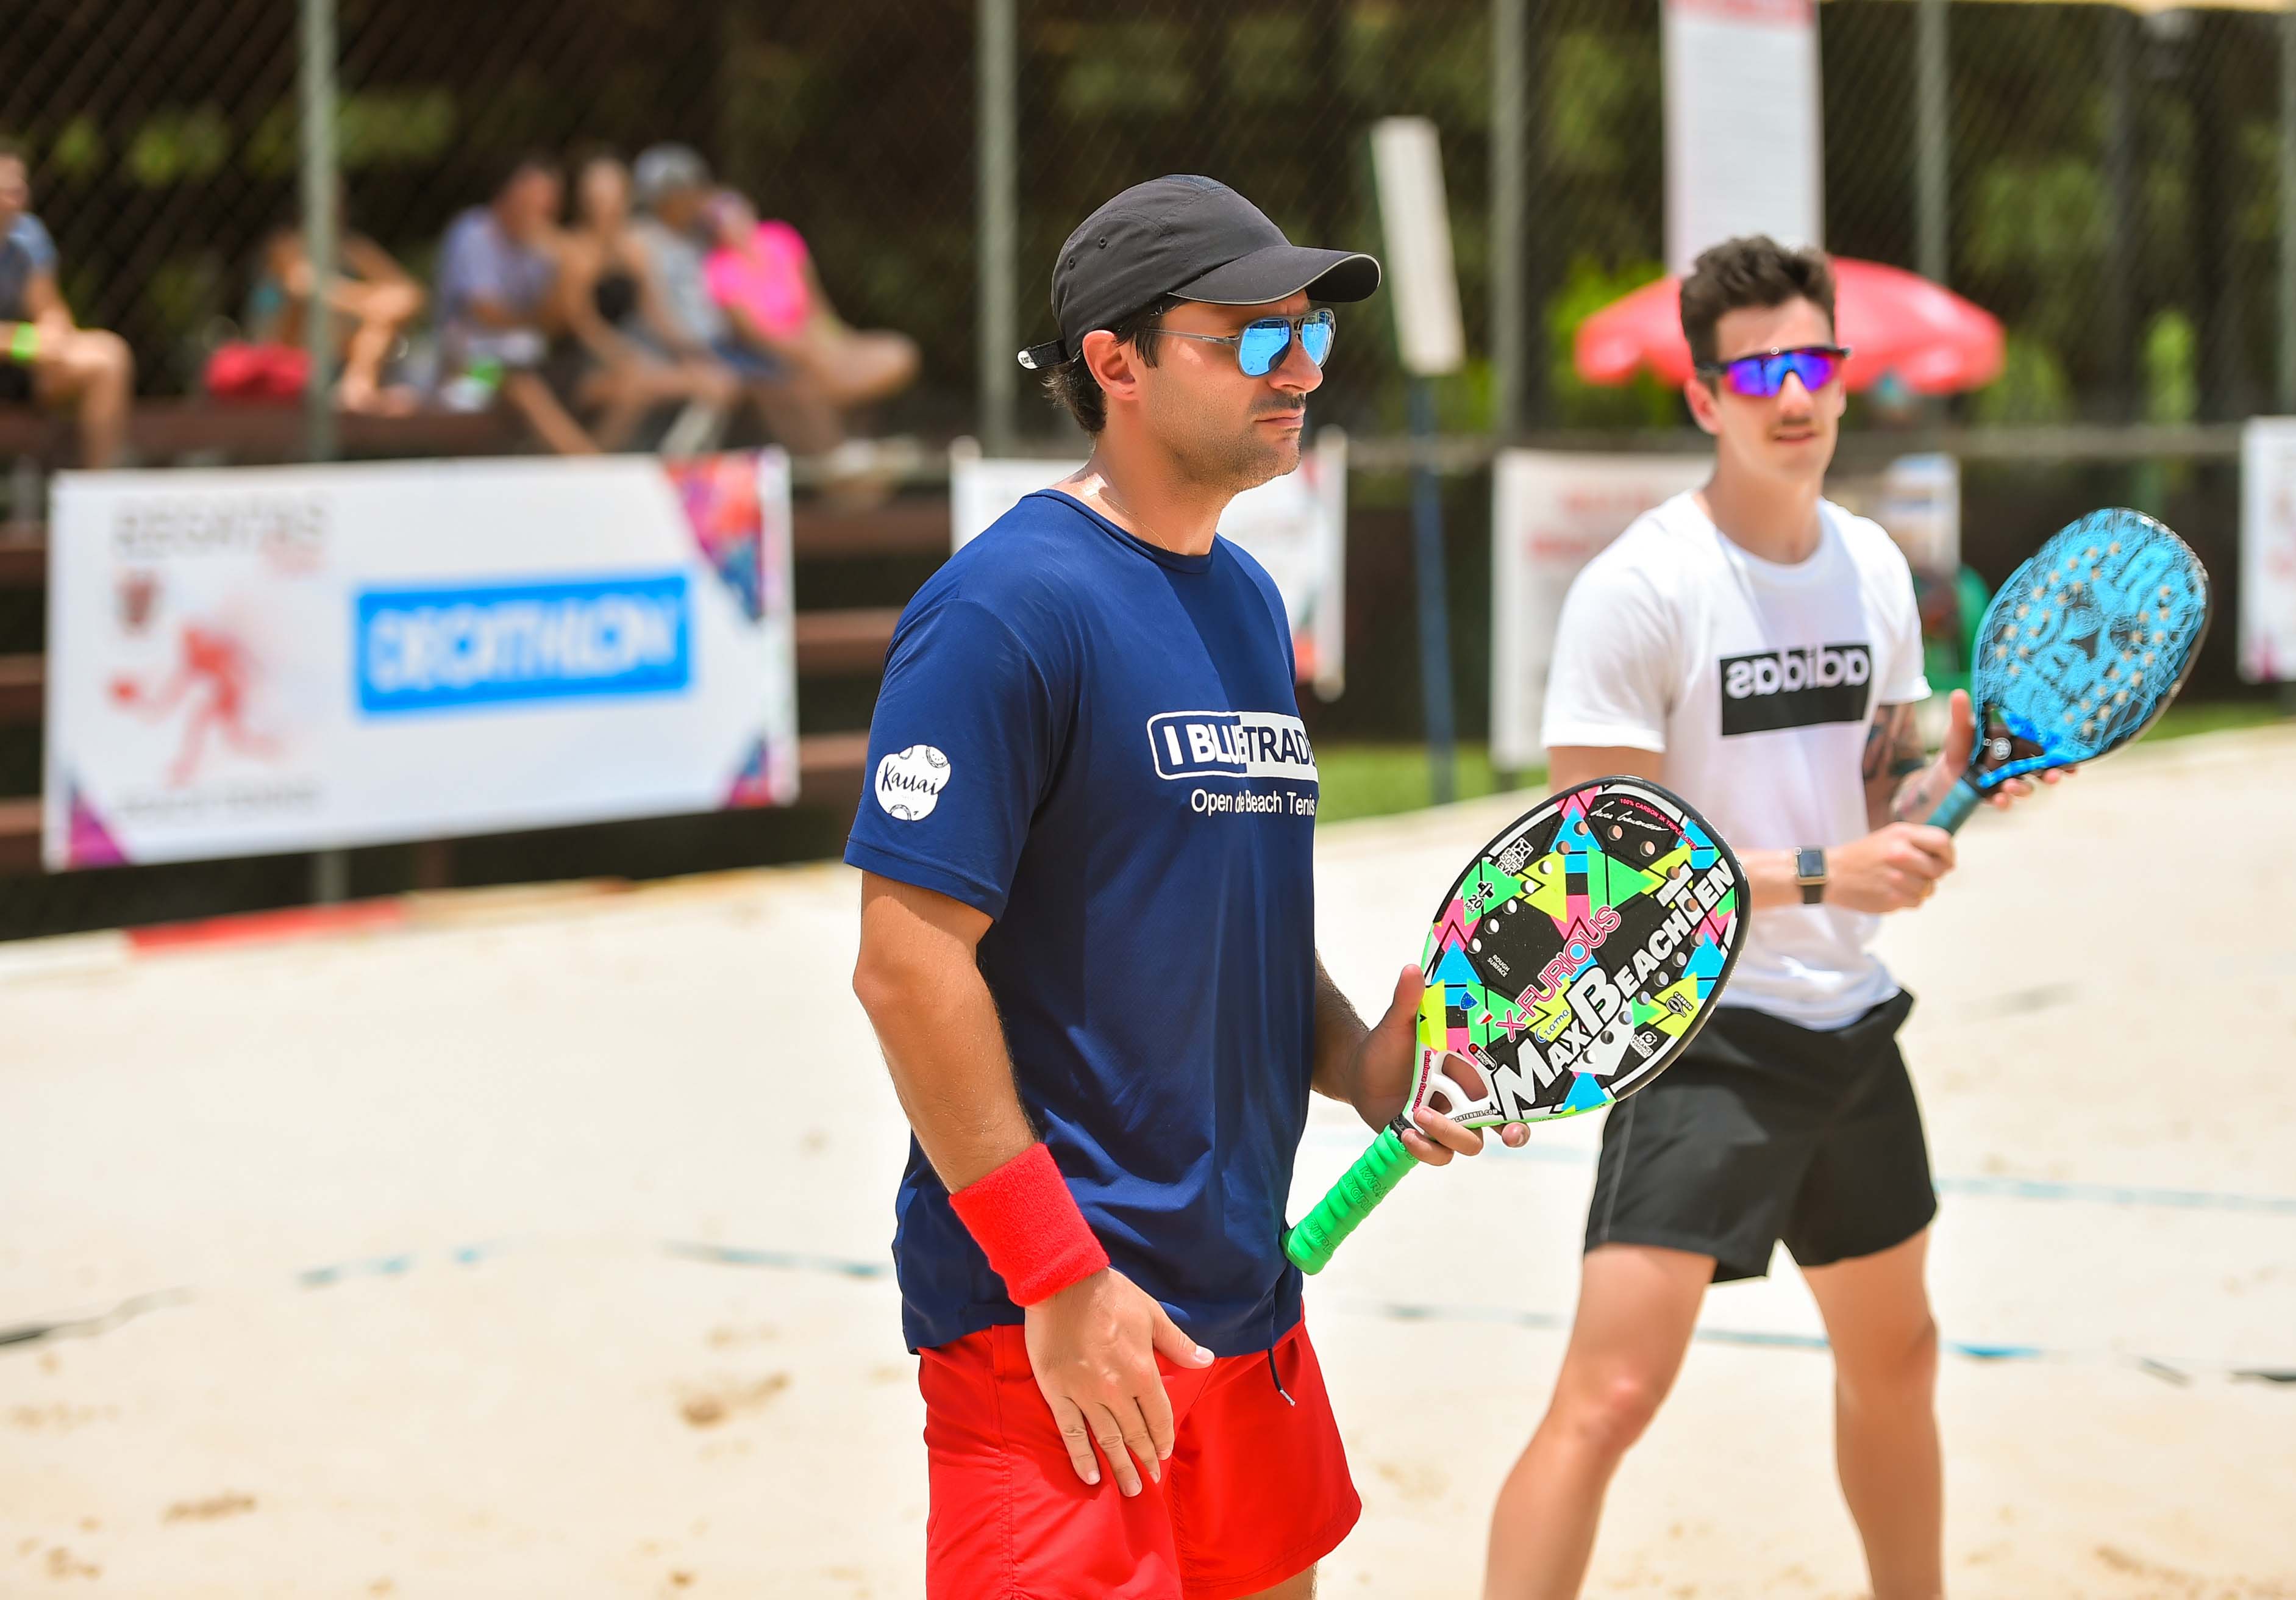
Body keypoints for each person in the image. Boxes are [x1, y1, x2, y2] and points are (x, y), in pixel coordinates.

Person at [846, 174, 1521, 1600]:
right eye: (1254, 338)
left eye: (1310, 337)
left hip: (1244, 1299)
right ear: (1117, 361)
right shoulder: (1004, 606)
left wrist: (1361, 1060)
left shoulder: (1245, 598)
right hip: (1057, 1325)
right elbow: (906, 964)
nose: (1301, 372)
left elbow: (1224, 923)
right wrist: (1057, 1274)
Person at [1483, 236, 2068, 1600]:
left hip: (1847, 1020)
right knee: (1612, 1395)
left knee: (1901, 1359)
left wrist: (1965, 780)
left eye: (1816, 364)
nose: (1793, 396)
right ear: (1705, 399)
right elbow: (1594, 865)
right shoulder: (1643, 586)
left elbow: (1883, 780)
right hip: (1701, 1031)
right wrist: (1822, 874)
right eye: (1761, 373)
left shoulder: (1869, 564)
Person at [624, 144, 857, 459]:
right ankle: (680, 461)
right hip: (680, 351)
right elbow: (653, 312)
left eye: (695, 190)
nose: (692, 198)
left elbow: (729, 210)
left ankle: (826, 456)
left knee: (790, 378)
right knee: (745, 384)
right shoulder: (641, 240)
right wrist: (688, 354)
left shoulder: (701, 236)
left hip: (723, 345)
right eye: (682, 192)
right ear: (661, 198)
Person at [552, 152, 736, 452]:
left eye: (612, 194)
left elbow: (654, 311)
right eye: (597, 195)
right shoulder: (573, 251)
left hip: (623, 358)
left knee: (715, 381)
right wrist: (624, 357)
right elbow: (581, 325)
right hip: (579, 362)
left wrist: (690, 353)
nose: (605, 204)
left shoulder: (632, 249)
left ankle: (678, 460)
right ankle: (591, 465)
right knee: (636, 387)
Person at [705, 189, 917, 429]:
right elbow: (751, 332)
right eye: (723, 223)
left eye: (737, 215)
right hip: (777, 354)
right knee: (822, 370)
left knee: (899, 353)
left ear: (750, 211)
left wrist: (834, 334)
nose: (734, 226)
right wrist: (805, 347)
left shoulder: (780, 238)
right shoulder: (719, 268)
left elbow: (815, 298)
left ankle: (841, 399)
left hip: (817, 340)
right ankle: (838, 407)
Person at [433, 152, 597, 455]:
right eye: (535, 194)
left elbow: (558, 322)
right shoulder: (473, 232)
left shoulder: (542, 245)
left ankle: (587, 470)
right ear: (507, 193)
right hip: (469, 371)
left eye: (549, 196)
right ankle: (593, 470)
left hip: (531, 360)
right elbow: (485, 312)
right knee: (523, 389)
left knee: (601, 385)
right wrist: (535, 320)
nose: (543, 205)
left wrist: (570, 269)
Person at [0, 140, 134, 468]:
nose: (17, 196)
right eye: (7, 187)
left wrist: (54, 336)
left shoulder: (27, 238)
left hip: (21, 366)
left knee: (109, 356)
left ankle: (97, 496)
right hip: (20, 350)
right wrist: (28, 343)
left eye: (21, 186)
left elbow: (49, 308)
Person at [247, 200, 424, 414]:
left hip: (339, 344)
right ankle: (351, 390)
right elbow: (302, 286)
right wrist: (366, 304)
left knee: (388, 309)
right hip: (287, 346)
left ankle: (356, 387)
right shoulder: (286, 244)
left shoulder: (351, 246)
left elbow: (410, 294)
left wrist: (375, 304)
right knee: (311, 301)